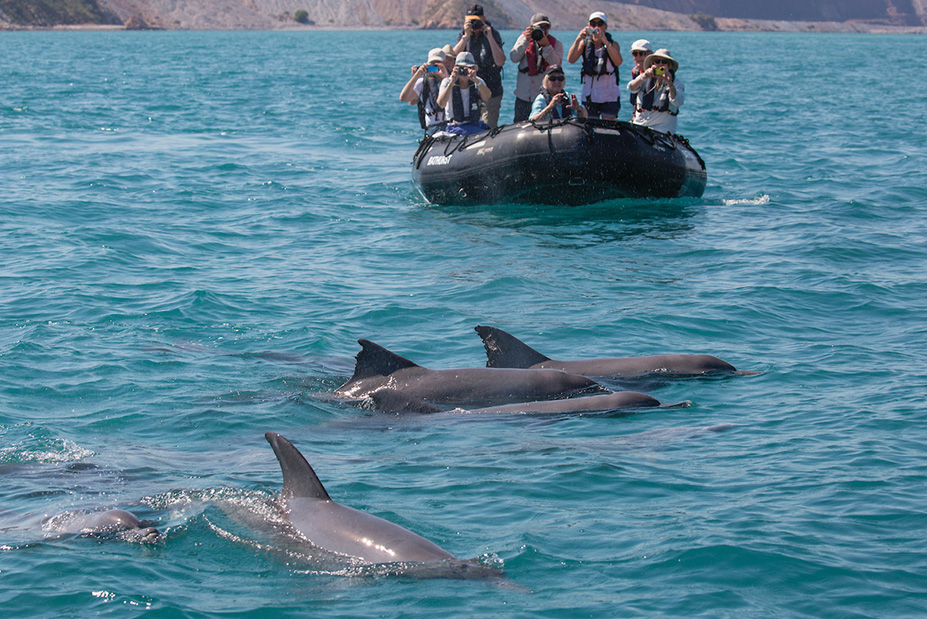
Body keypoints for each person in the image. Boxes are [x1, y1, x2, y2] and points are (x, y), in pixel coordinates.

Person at [453, 4, 505, 128]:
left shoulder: (493, 34)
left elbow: (500, 61)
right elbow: (452, 59)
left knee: (488, 127)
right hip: (470, 89)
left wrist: (490, 37)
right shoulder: (464, 35)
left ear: (484, 19)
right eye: (470, 21)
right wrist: (466, 37)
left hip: (491, 89)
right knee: (470, 126)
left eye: (477, 21)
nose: (474, 25)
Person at [566, 11, 623, 120]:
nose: (596, 27)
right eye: (593, 24)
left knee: (609, 127)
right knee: (589, 126)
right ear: (588, 26)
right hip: (590, 95)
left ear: (605, 26)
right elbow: (571, 59)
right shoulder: (585, 44)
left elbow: (618, 62)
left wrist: (605, 42)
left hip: (609, 95)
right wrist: (578, 39)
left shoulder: (613, 44)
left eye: (600, 24)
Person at [509, 13, 563, 123]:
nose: (543, 30)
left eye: (545, 27)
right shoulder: (524, 39)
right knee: (519, 126)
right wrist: (525, 40)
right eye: (539, 27)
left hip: (544, 98)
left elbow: (556, 64)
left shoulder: (555, 44)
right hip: (524, 96)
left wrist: (546, 46)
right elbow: (514, 57)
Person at [628, 48, 685, 134]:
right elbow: (631, 88)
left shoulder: (676, 83)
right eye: (657, 61)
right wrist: (643, 76)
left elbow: (678, 101)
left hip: (662, 130)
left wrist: (669, 83)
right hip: (640, 126)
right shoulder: (644, 78)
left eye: (664, 62)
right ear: (652, 64)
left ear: (669, 66)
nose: (660, 65)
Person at [436, 51, 492, 135]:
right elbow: (441, 104)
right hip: (455, 126)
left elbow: (487, 97)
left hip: (475, 123)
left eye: (468, 68)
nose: (464, 72)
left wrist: (475, 80)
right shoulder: (447, 82)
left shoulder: (478, 81)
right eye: (461, 68)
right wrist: (452, 82)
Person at [399, 48, 450, 130]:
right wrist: (416, 76)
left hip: (450, 125)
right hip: (433, 127)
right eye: (432, 64)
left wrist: (445, 77)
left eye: (437, 64)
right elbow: (404, 98)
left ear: (445, 64)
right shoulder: (423, 82)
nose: (434, 67)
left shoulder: (452, 80)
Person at [628, 39, 652, 110]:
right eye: (635, 54)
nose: (638, 57)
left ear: (650, 54)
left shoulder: (657, 73)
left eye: (642, 53)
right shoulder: (635, 71)